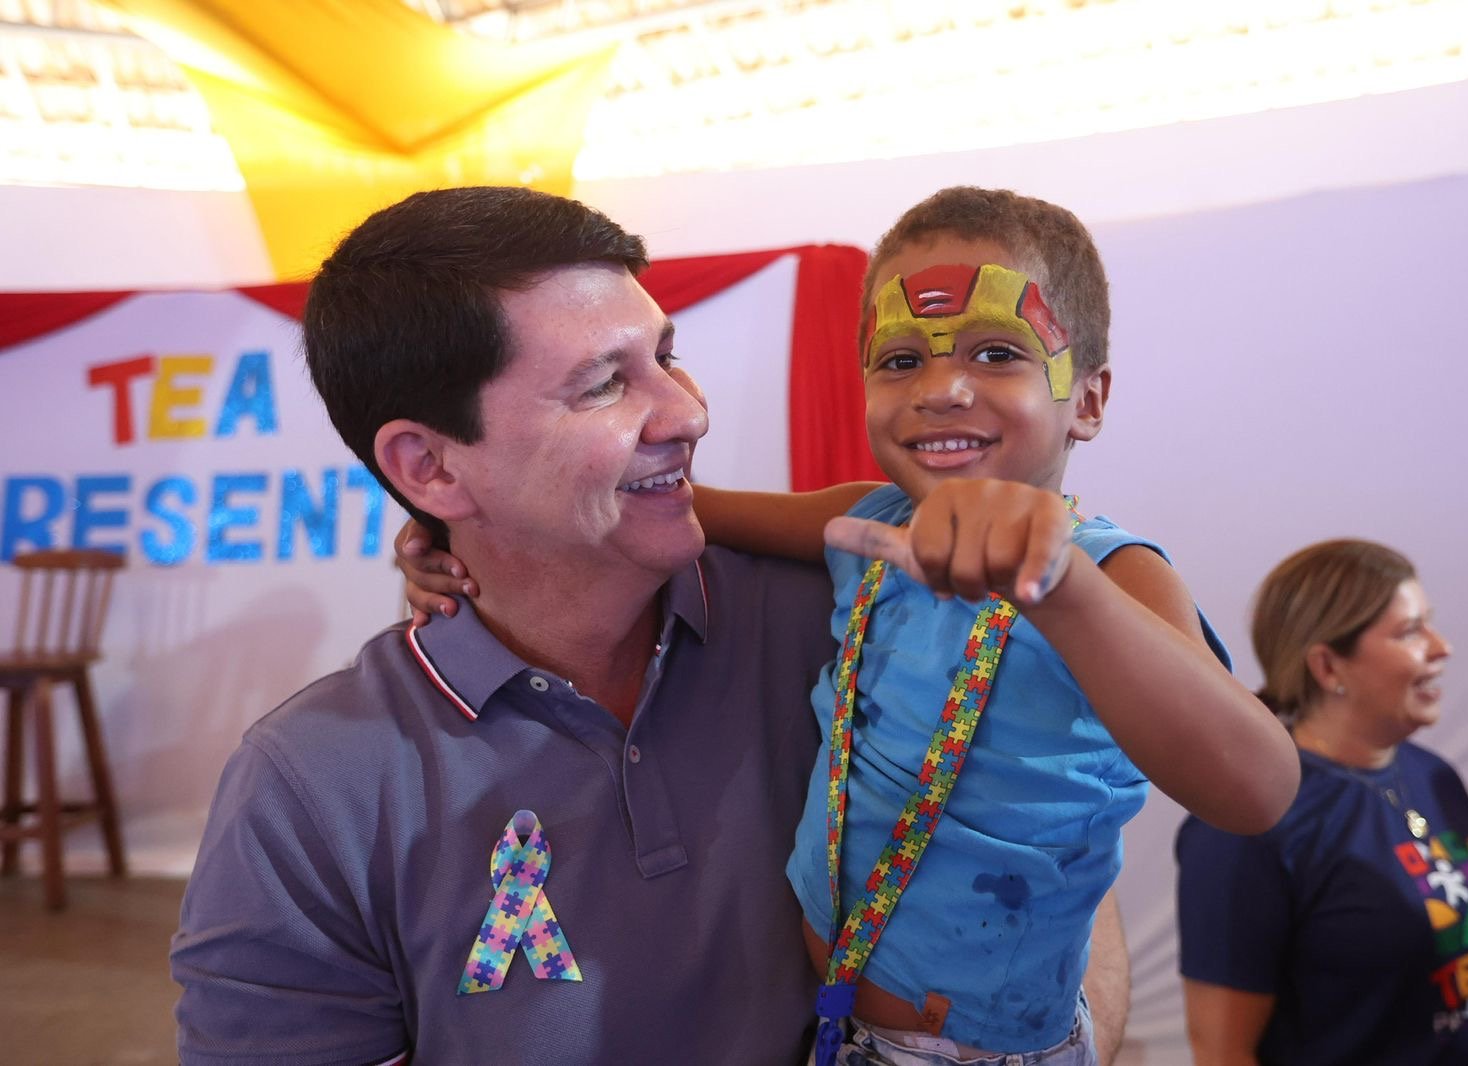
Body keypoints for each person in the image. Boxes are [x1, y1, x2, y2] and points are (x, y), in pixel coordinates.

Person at [400, 186, 1300, 1065]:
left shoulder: (1111, 572)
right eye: (901, 360)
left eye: (997, 354)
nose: (943, 389)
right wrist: (471, 523)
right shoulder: (866, 524)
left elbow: (1257, 790)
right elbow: (670, 510)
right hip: (836, 1032)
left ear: (1089, 400)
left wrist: (1060, 591)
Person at [169, 186, 845, 1064]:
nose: (688, 413)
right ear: (429, 467)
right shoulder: (312, 786)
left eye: (667, 357)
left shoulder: (845, 628)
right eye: (604, 384)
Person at [1175, 539, 1468, 1065]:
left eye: (1429, 623)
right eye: (1410, 631)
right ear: (1329, 667)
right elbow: (1223, 1052)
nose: (1441, 646)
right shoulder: (1248, 819)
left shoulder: (1436, 777)